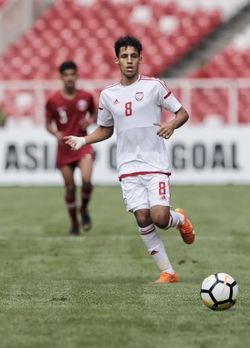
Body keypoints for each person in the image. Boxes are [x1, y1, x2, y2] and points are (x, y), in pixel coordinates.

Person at [64, 36, 195, 283]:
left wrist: (172, 124)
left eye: (133, 56)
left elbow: (182, 113)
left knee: (159, 217)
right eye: (124, 56)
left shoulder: (154, 86)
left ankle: (179, 219)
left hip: (155, 164)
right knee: (143, 218)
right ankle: (168, 271)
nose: (129, 61)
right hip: (128, 168)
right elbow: (106, 130)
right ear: (116, 60)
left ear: (140, 59)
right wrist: (83, 140)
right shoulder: (107, 95)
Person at [45, 60, 96, 236]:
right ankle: (74, 224)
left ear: (77, 76)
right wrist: (55, 133)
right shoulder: (53, 100)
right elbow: (48, 124)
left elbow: (95, 115)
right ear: (61, 77)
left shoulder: (86, 97)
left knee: (87, 181)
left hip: (82, 145)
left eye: (72, 75)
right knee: (70, 187)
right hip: (65, 148)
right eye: (66, 75)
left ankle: (84, 210)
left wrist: (88, 121)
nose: (69, 78)